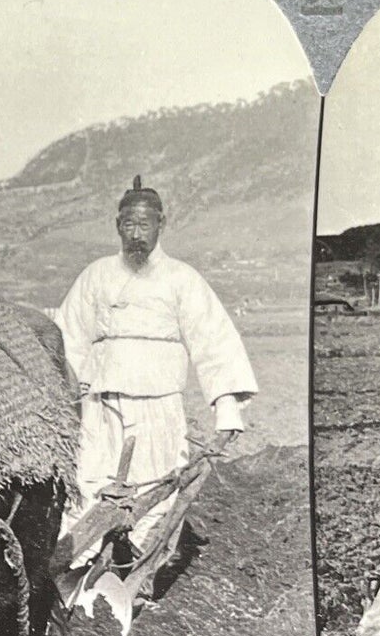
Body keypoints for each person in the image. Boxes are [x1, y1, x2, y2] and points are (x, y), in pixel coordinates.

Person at [56, 174, 257, 577]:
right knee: (89, 479)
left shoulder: (182, 279)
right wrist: (69, 385)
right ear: (117, 226)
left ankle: (139, 571)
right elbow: (68, 335)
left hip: (158, 405)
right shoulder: (95, 275)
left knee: (157, 486)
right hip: (101, 403)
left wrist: (227, 408)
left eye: (144, 225)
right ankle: (74, 567)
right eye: (128, 225)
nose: (136, 235)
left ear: (161, 225)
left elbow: (213, 341)